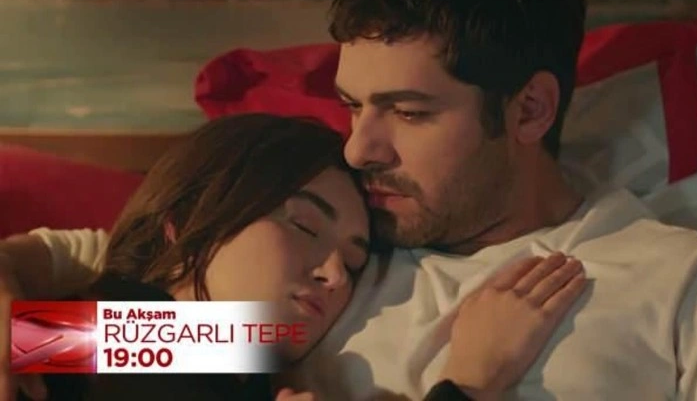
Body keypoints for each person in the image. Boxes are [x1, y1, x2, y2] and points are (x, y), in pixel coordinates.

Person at [1, 0, 697, 399]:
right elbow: (128, 269)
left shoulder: (686, 287)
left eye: (408, 112)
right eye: (352, 107)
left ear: (530, 110)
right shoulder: (264, 312)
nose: (358, 150)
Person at [2, 113, 587, 401]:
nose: (333, 275)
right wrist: (472, 382)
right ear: (189, 220)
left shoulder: (234, 360)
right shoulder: (110, 333)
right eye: (304, 225)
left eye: (353, 264)